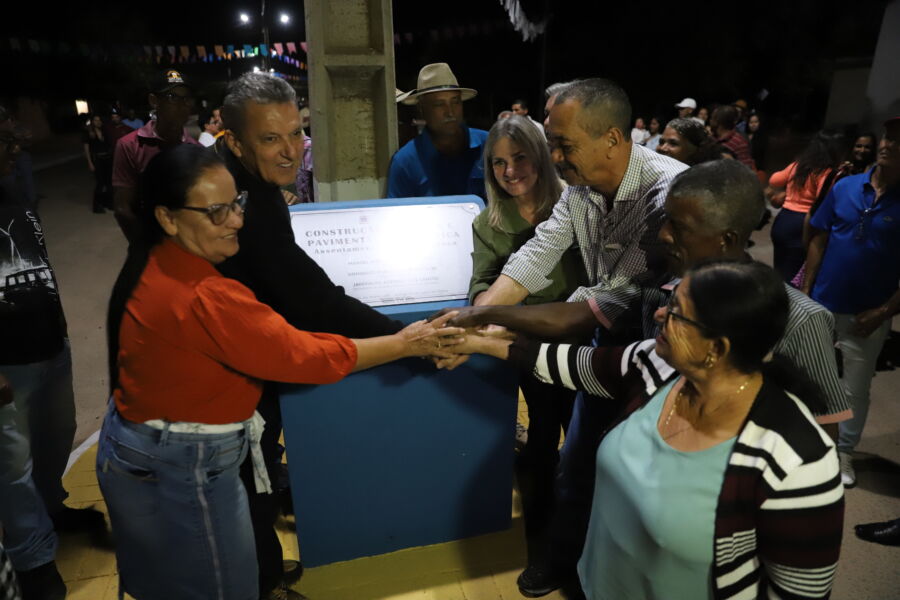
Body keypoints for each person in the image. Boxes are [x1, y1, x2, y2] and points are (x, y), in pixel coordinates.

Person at [434, 160, 852, 594]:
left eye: (678, 225)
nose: (663, 234)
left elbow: (823, 439)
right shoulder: (660, 321)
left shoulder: (799, 335)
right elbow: (573, 358)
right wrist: (480, 327)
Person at [98, 145, 463, 600]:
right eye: (216, 212)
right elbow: (303, 356)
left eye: (237, 203)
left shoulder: (152, 262)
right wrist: (405, 343)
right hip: (184, 467)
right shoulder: (203, 295)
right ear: (168, 218)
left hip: (141, 450)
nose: (236, 221)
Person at [469, 78, 686, 596]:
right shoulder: (581, 190)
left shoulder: (668, 191)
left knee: (639, 477)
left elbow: (610, 299)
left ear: (612, 138)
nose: (556, 157)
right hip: (605, 346)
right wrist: (479, 313)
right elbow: (536, 256)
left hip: (665, 352)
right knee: (580, 463)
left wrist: (481, 324)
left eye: (564, 145)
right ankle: (567, 560)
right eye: (554, 143)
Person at [217, 72, 411, 599]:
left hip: (245, 358)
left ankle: (264, 570)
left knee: (254, 471)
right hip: (223, 379)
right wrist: (404, 335)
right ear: (234, 141)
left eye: (296, 133)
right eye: (269, 138)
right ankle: (262, 584)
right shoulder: (243, 204)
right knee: (244, 480)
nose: (290, 151)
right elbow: (311, 299)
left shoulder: (245, 183)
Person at [470, 115, 585, 567]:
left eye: (519, 157)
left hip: (585, 342)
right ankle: (541, 540)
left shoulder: (575, 206)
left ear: (540, 154)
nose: (510, 170)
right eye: (498, 162)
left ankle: (578, 534)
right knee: (541, 432)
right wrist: (485, 309)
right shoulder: (489, 222)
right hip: (528, 347)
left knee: (581, 438)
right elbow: (480, 285)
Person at [0, 105, 102, 600]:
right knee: (11, 468)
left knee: (54, 436)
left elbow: (36, 255)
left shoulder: (14, 192)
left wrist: (59, 321)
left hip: (48, 345)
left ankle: (53, 508)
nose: (15, 149)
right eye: (4, 141)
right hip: (7, 365)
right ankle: (34, 557)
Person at [803, 116, 900, 488]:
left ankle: (844, 453)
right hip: (824, 303)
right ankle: (806, 443)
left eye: (899, 141)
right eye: (889, 137)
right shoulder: (846, 186)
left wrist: (883, 311)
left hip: (869, 314)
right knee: (810, 377)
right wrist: (808, 293)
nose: (889, 144)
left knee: (854, 387)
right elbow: (819, 238)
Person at [112, 69, 201, 243]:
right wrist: (144, 246)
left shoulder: (196, 150)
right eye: (172, 97)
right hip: (148, 243)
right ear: (154, 101)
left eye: (186, 99)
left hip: (189, 245)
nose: (182, 105)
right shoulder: (130, 145)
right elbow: (122, 207)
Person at [387, 63, 488, 200]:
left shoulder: (489, 145)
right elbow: (396, 216)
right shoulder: (405, 162)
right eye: (439, 104)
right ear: (422, 109)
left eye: (455, 102)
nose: (450, 112)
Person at [767, 129, 846, 283]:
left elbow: (774, 180)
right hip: (803, 224)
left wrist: (790, 189)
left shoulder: (798, 165)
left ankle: (774, 298)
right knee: (793, 275)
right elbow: (824, 199)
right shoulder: (826, 172)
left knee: (780, 268)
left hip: (783, 221)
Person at [82, 114, 113, 213]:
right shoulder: (89, 133)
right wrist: (90, 162)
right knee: (100, 183)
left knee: (109, 183)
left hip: (108, 159)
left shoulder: (105, 131)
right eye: (95, 120)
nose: (98, 122)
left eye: (99, 120)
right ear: (92, 121)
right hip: (97, 160)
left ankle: (109, 203)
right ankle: (97, 206)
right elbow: (86, 149)